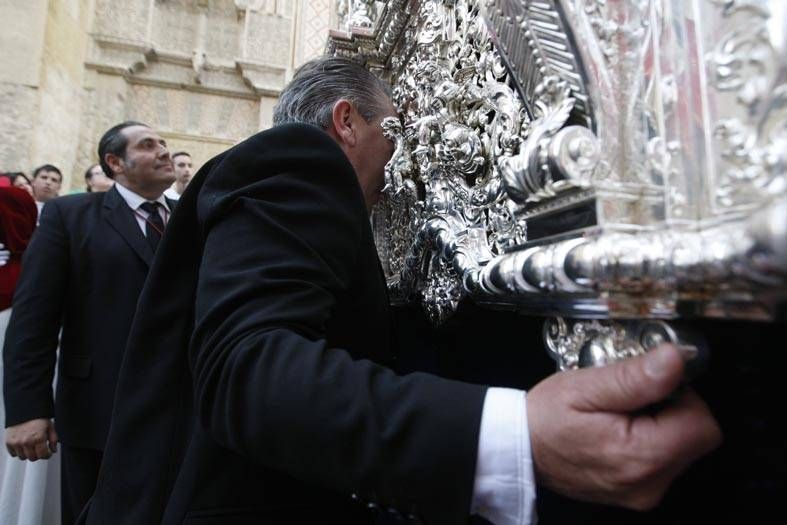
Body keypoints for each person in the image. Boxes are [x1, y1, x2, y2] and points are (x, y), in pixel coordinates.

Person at [80, 57, 720, 525]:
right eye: (399, 128)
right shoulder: (299, 161)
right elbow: (247, 372)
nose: (407, 154)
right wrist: (514, 437)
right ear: (346, 120)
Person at [3, 122, 177, 524]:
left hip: (180, 410)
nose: (164, 151)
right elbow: (34, 316)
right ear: (115, 162)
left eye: (164, 143)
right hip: (97, 410)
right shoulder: (72, 216)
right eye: (149, 145)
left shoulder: (194, 219)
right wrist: (27, 409)